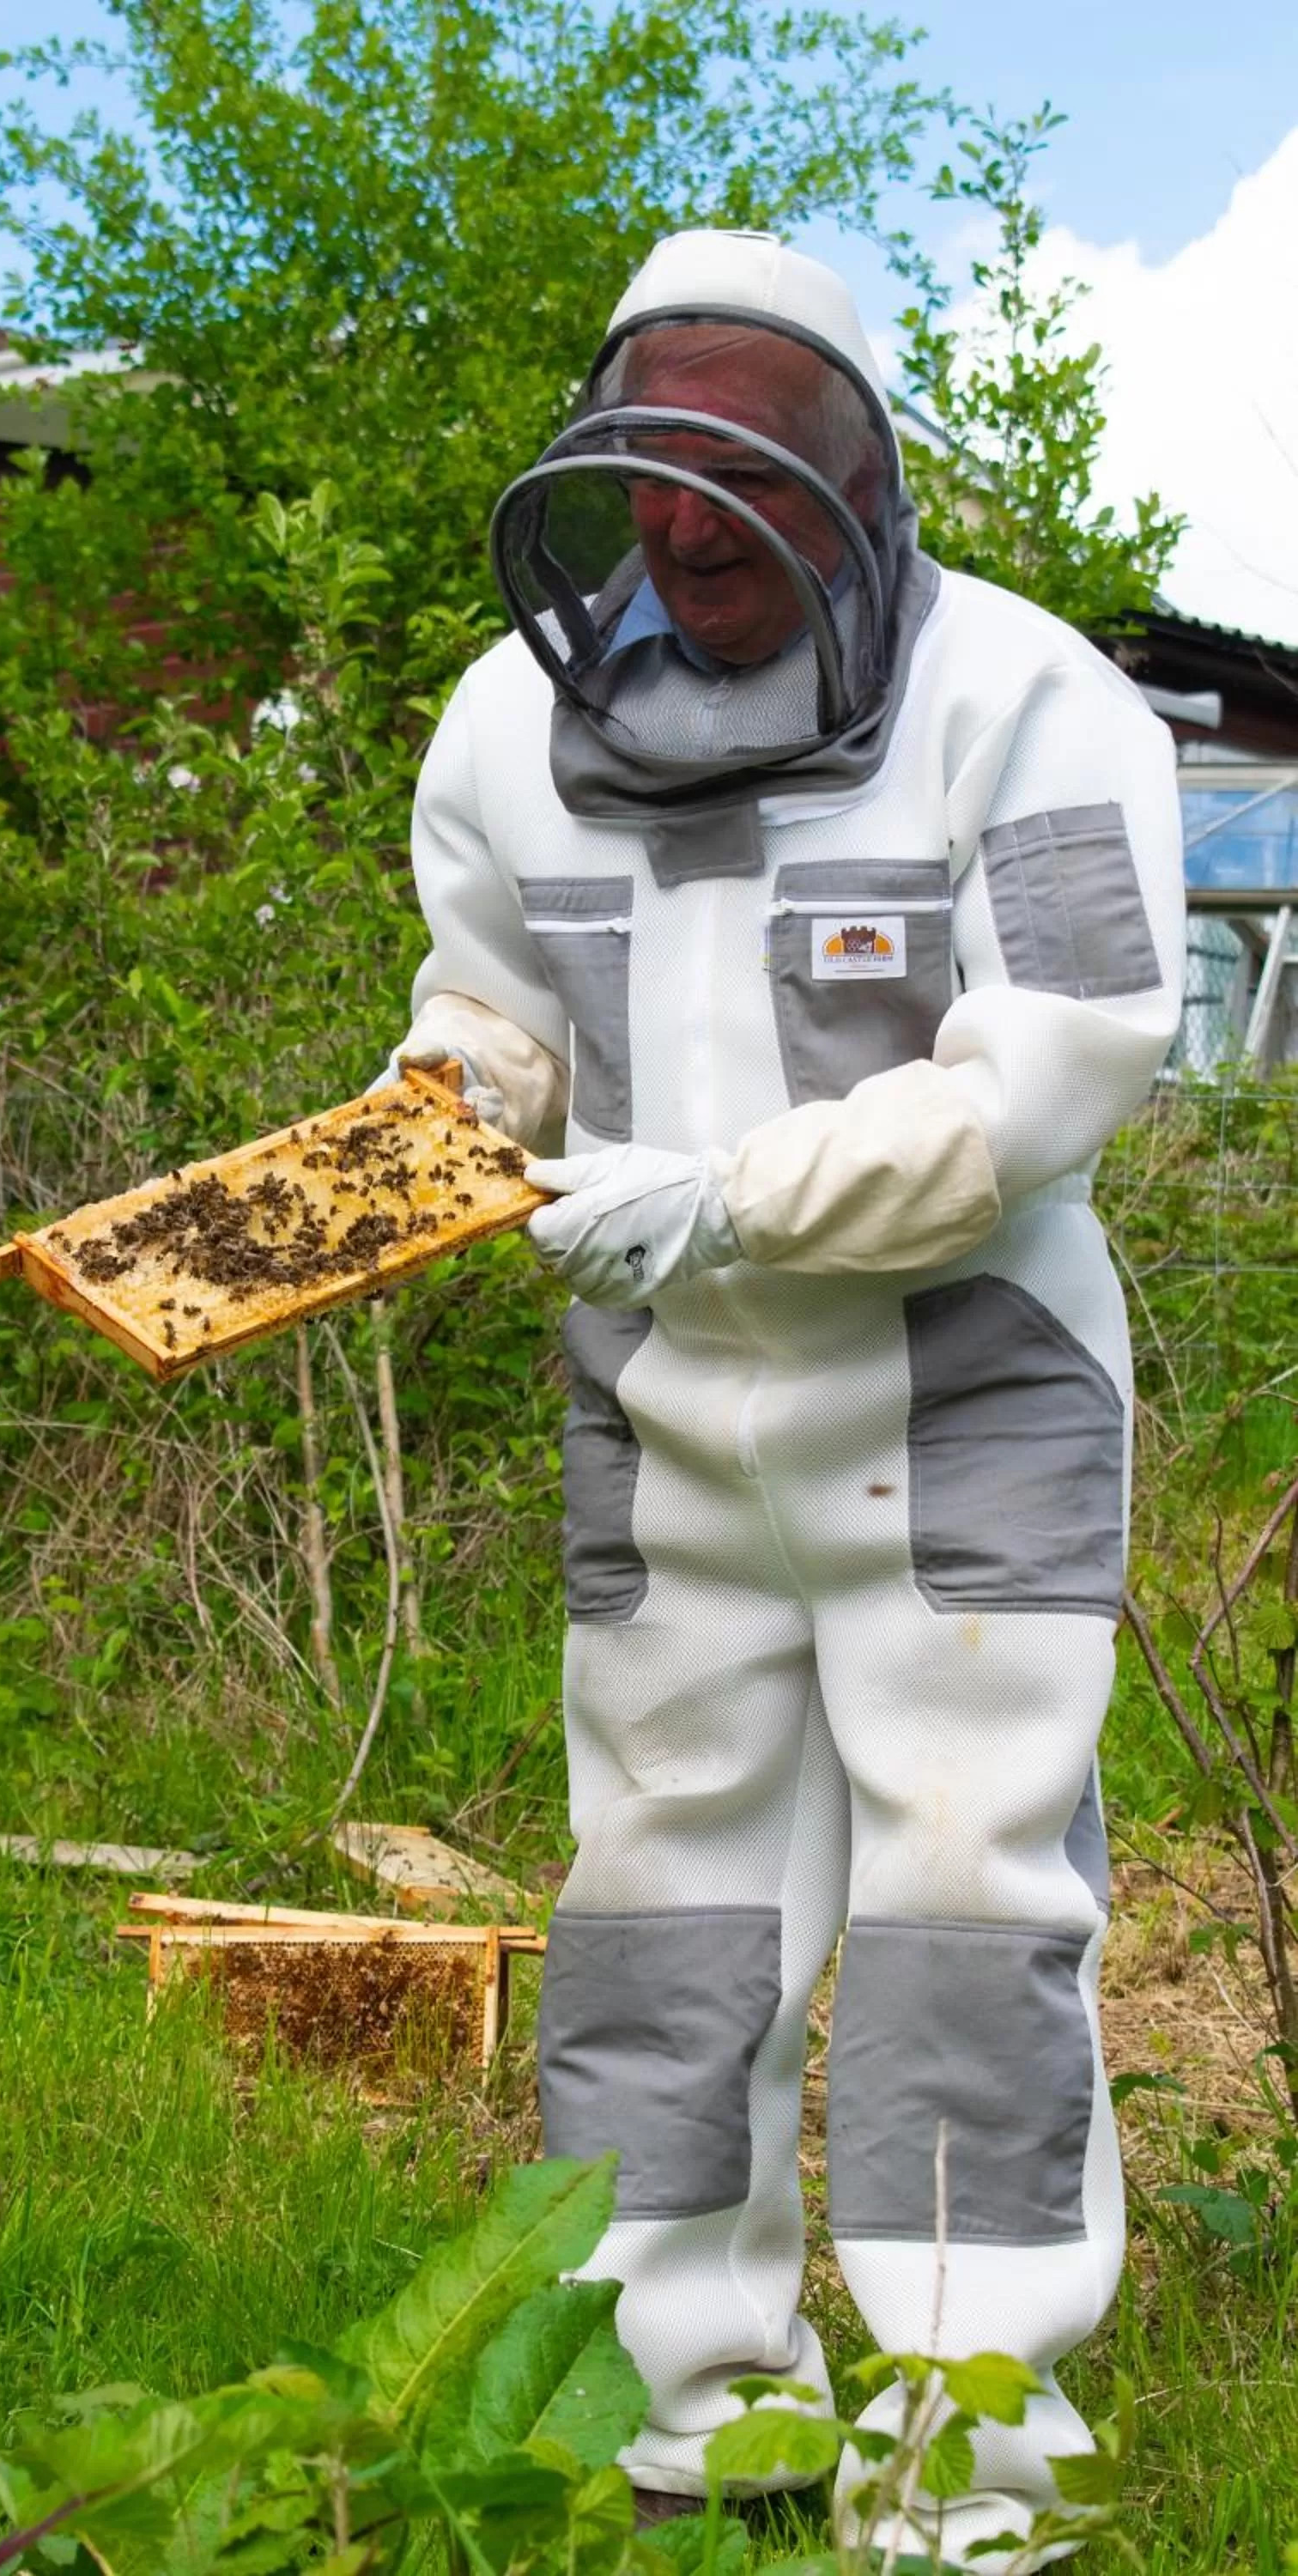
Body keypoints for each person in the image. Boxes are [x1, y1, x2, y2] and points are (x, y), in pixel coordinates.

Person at [385, 228, 1185, 2569]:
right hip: (661, 1406)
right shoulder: (495, 724)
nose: (685, 545)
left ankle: (962, 2458)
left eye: (740, 498)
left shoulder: (1036, 709)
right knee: (658, 1910)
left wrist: (709, 1199)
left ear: (861, 479)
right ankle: (675, 2402)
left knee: (962, 1915)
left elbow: (1051, 1075)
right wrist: (428, 1129)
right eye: (648, 492)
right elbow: (484, 1018)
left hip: (963, 1410)